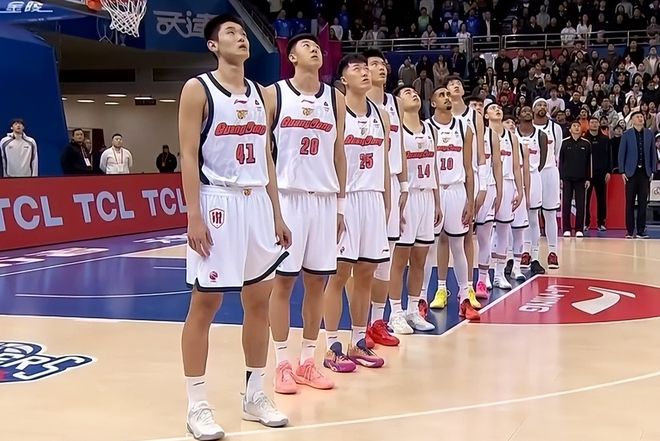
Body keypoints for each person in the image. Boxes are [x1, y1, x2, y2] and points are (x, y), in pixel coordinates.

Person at [178, 14, 291, 439]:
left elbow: (267, 157)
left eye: (243, 34)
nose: (241, 38)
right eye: (231, 33)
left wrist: (277, 212)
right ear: (213, 45)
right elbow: (189, 155)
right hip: (218, 201)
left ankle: (255, 394)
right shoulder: (198, 88)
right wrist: (193, 214)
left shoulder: (263, 94)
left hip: (257, 200)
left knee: (259, 301)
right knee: (205, 304)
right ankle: (197, 404)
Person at [267, 33, 347, 394]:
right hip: (289, 197)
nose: (314, 49)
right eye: (306, 46)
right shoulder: (274, 94)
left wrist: (341, 206)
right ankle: (281, 363)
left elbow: (339, 154)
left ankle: (307, 361)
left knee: (317, 283)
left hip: (324, 200)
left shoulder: (335, 98)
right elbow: (264, 152)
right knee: (283, 283)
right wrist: (272, 209)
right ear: (292, 57)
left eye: (317, 46)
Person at [322, 53, 391, 371]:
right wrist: (335, 205)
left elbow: (385, 163)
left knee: (365, 274)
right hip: (346, 198)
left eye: (367, 67)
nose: (364, 72)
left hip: (373, 199)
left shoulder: (382, 115)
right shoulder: (336, 113)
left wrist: (386, 201)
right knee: (339, 275)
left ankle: (359, 341)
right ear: (343, 79)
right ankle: (331, 346)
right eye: (356, 68)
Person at [424, 76, 485, 312]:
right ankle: (432, 293)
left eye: (448, 94)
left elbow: (469, 168)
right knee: (433, 245)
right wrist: (434, 199)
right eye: (442, 95)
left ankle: (465, 294)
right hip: (436, 190)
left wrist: (470, 200)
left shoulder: (464, 127)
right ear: (433, 103)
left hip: (458, 189)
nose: (447, 97)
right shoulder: (427, 128)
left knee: (458, 244)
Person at [362, 49, 408, 342]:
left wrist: (404, 184)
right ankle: (356, 326)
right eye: (374, 63)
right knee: (359, 263)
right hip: (364, 183)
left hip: (390, 180)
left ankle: (377, 321)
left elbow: (399, 144)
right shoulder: (353, 102)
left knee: (385, 259)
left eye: (382, 63)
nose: (380, 67)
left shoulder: (396, 103)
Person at [387, 85, 439, 333]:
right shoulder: (396, 129)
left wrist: (437, 200)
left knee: (420, 258)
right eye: (406, 92)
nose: (413, 94)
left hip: (427, 195)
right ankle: (395, 313)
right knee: (399, 259)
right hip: (407, 196)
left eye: (414, 91)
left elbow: (435, 166)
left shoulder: (430, 128)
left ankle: (412, 310)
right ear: (397, 101)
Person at [484, 103, 522, 290]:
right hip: (487, 183)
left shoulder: (512, 137)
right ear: (485, 115)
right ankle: (484, 275)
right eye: (492, 108)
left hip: (507, 183)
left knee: (503, 230)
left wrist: (520, 190)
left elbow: (516, 166)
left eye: (499, 108)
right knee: (485, 232)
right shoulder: (482, 135)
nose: (497, 110)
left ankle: (499, 274)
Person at [473, 105, 503, 298]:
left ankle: (482, 281)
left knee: (485, 237)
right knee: (459, 241)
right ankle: (464, 285)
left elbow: (497, 164)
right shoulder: (460, 129)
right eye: (473, 106)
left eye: (479, 106)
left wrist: (500, 190)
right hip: (465, 187)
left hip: (489, 186)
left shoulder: (491, 135)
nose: (476, 108)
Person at [516, 106, 548, 275]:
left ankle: (534, 257)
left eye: (529, 110)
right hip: (516, 177)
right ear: (518, 115)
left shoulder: (541, 135)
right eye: (524, 111)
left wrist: (532, 172)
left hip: (534, 176)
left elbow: (542, 161)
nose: (527, 112)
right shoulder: (512, 134)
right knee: (514, 221)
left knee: (533, 218)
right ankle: (513, 258)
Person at [532, 98, 563, 269]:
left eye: (545, 105)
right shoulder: (527, 128)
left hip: (550, 171)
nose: (542, 107)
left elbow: (557, 152)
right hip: (532, 173)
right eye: (539, 105)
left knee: (550, 214)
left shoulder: (555, 128)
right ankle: (532, 254)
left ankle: (553, 253)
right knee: (532, 215)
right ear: (533, 109)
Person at [618, 111, 657, 239]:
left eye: (641, 117)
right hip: (630, 173)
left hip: (645, 173)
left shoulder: (649, 134)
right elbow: (621, 153)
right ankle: (629, 231)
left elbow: (653, 153)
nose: (641, 118)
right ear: (632, 120)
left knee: (643, 203)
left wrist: (652, 170)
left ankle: (640, 231)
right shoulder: (626, 134)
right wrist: (622, 171)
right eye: (638, 117)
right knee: (629, 202)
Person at [505, 114, 530, 282]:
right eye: (507, 122)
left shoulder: (522, 147)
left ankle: (517, 266)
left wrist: (526, 194)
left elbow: (526, 172)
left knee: (519, 230)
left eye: (513, 122)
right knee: (500, 232)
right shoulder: (494, 143)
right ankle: (500, 267)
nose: (511, 124)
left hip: (518, 189)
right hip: (503, 188)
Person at [559, 121, 592, 237]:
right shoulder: (564, 143)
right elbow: (560, 161)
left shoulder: (586, 143)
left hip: (581, 179)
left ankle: (579, 229)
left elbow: (589, 163)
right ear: (570, 129)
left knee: (581, 204)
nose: (576, 127)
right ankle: (566, 229)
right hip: (566, 178)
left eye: (578, 126)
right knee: (566, 203)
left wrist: (588, 178)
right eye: (574, 126)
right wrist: (560, 178)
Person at [584, 117, 611, 231]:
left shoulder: (605, 139)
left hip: (602, 173)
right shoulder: (584, 139)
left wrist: (608, 171)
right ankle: (586, 223)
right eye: (592, 122)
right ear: (588, 124)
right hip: (587, 175)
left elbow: (609, 156)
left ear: (599, 124)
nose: (594, 124)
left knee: (601, 199)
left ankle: (601, 223)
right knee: (586, 199)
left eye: (596, 122)